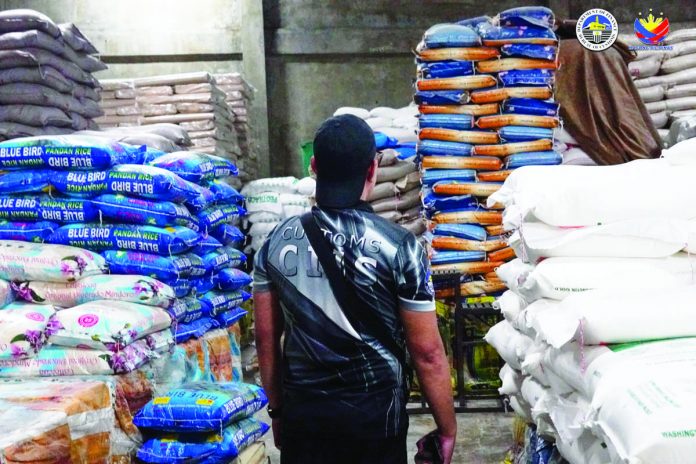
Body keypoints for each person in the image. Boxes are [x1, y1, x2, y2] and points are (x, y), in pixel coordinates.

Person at [254, 114, 457, 464]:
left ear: (314, 166)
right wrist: (447, 429)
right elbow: (427, 354)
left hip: (306, 421)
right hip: (377, 421)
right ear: (372, 170)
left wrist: (277, 413)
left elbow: (266, 341)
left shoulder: (275, 242)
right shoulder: (401, 247)